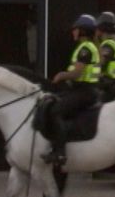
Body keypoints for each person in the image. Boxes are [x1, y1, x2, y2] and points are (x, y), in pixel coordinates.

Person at [42, 14, 102, 166]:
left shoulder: (85, 49)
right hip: (79, 90)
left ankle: (60, 153)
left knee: (55, 111)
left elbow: (78, 73)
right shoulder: (85, 47)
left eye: (75, 30)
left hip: (85, 92)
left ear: (83, 31)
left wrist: (61, 75)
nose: (73, 32)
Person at [94, 10, 115, 102]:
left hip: (105, 89)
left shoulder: (108, 45)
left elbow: (99, 64)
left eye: (97, 27)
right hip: (111, 87)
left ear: (102, 28)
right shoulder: (113, 44)